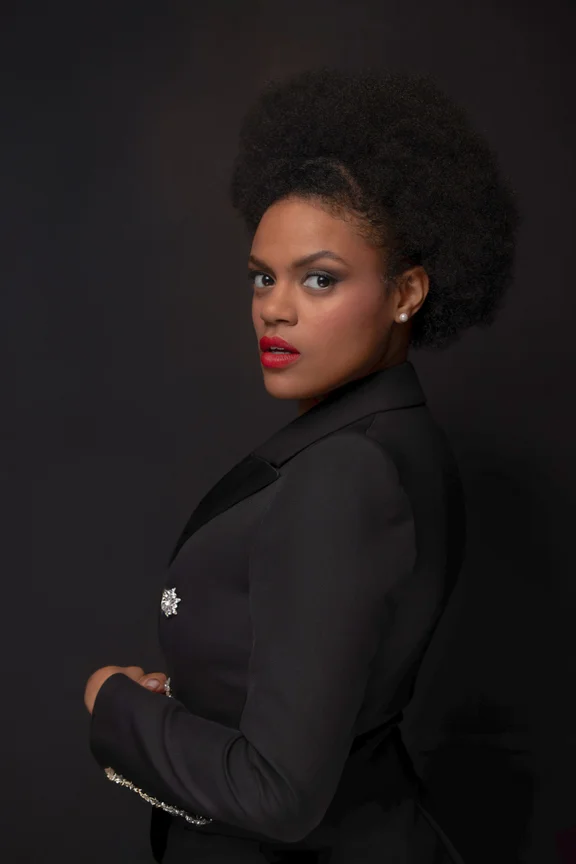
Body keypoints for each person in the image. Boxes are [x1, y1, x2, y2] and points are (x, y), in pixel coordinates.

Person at [84, 66, 519, 863]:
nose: (274, 309)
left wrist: (115, 705)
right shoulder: (391, 438)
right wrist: (190, 703)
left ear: (407, 292)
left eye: (320, 279)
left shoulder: (344, 477)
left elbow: (277, 794)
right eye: (263, 277)